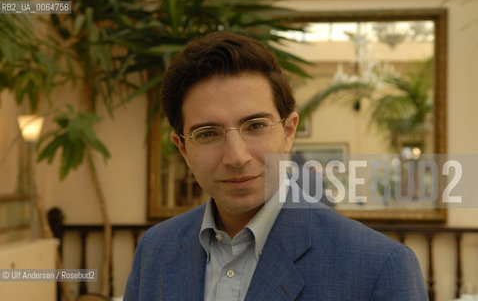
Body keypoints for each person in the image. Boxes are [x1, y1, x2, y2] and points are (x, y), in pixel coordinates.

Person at [124, 32, 427, 300]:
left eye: (255, 126)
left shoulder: (378, 265)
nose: (236, 157)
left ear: (288, 132)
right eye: (208, 134)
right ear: (183, 148)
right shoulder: (155, 250)